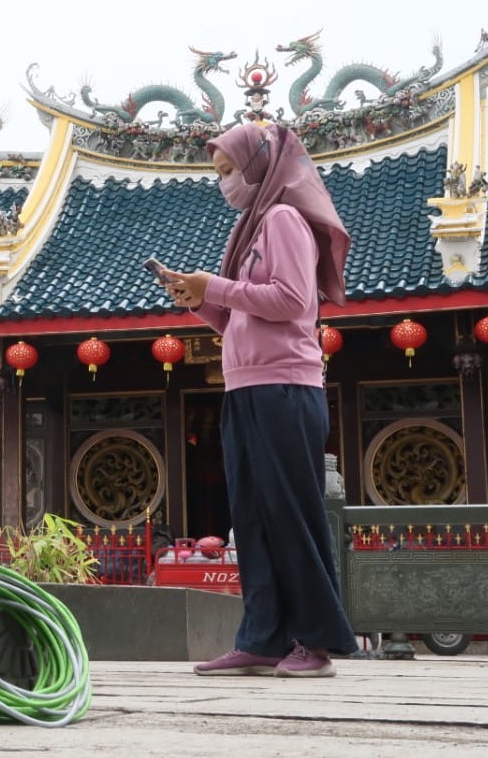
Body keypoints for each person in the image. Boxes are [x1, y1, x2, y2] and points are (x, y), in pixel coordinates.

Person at [160, 122, 359, 678]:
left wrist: (214, 286)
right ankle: (263, 637)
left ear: (260, 167)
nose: (225, 184)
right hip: (247, 387)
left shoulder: (282, 218)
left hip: (285, 388)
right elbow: (236, 317)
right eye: (219, 175)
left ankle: (316, 641)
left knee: (291, 516)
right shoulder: (249, 232)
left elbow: (293, 299)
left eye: (230, 171)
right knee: (252, 519)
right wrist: (197, 299)